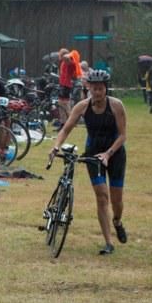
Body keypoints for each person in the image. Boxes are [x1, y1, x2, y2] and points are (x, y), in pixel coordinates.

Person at [50, 69, 127, 255]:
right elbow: (66, 129)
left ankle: (117, 221)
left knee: (116, 200)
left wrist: (108, 154)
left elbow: (123, 136)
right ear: (89, 88)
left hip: (115, 154)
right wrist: (55, 146)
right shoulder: (82, 107)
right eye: (94, 89)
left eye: (101, 89)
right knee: (102, 196)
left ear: (106, 89)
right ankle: (109, 243)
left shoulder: (116, 106)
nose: (98, 93)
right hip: (93, 154)